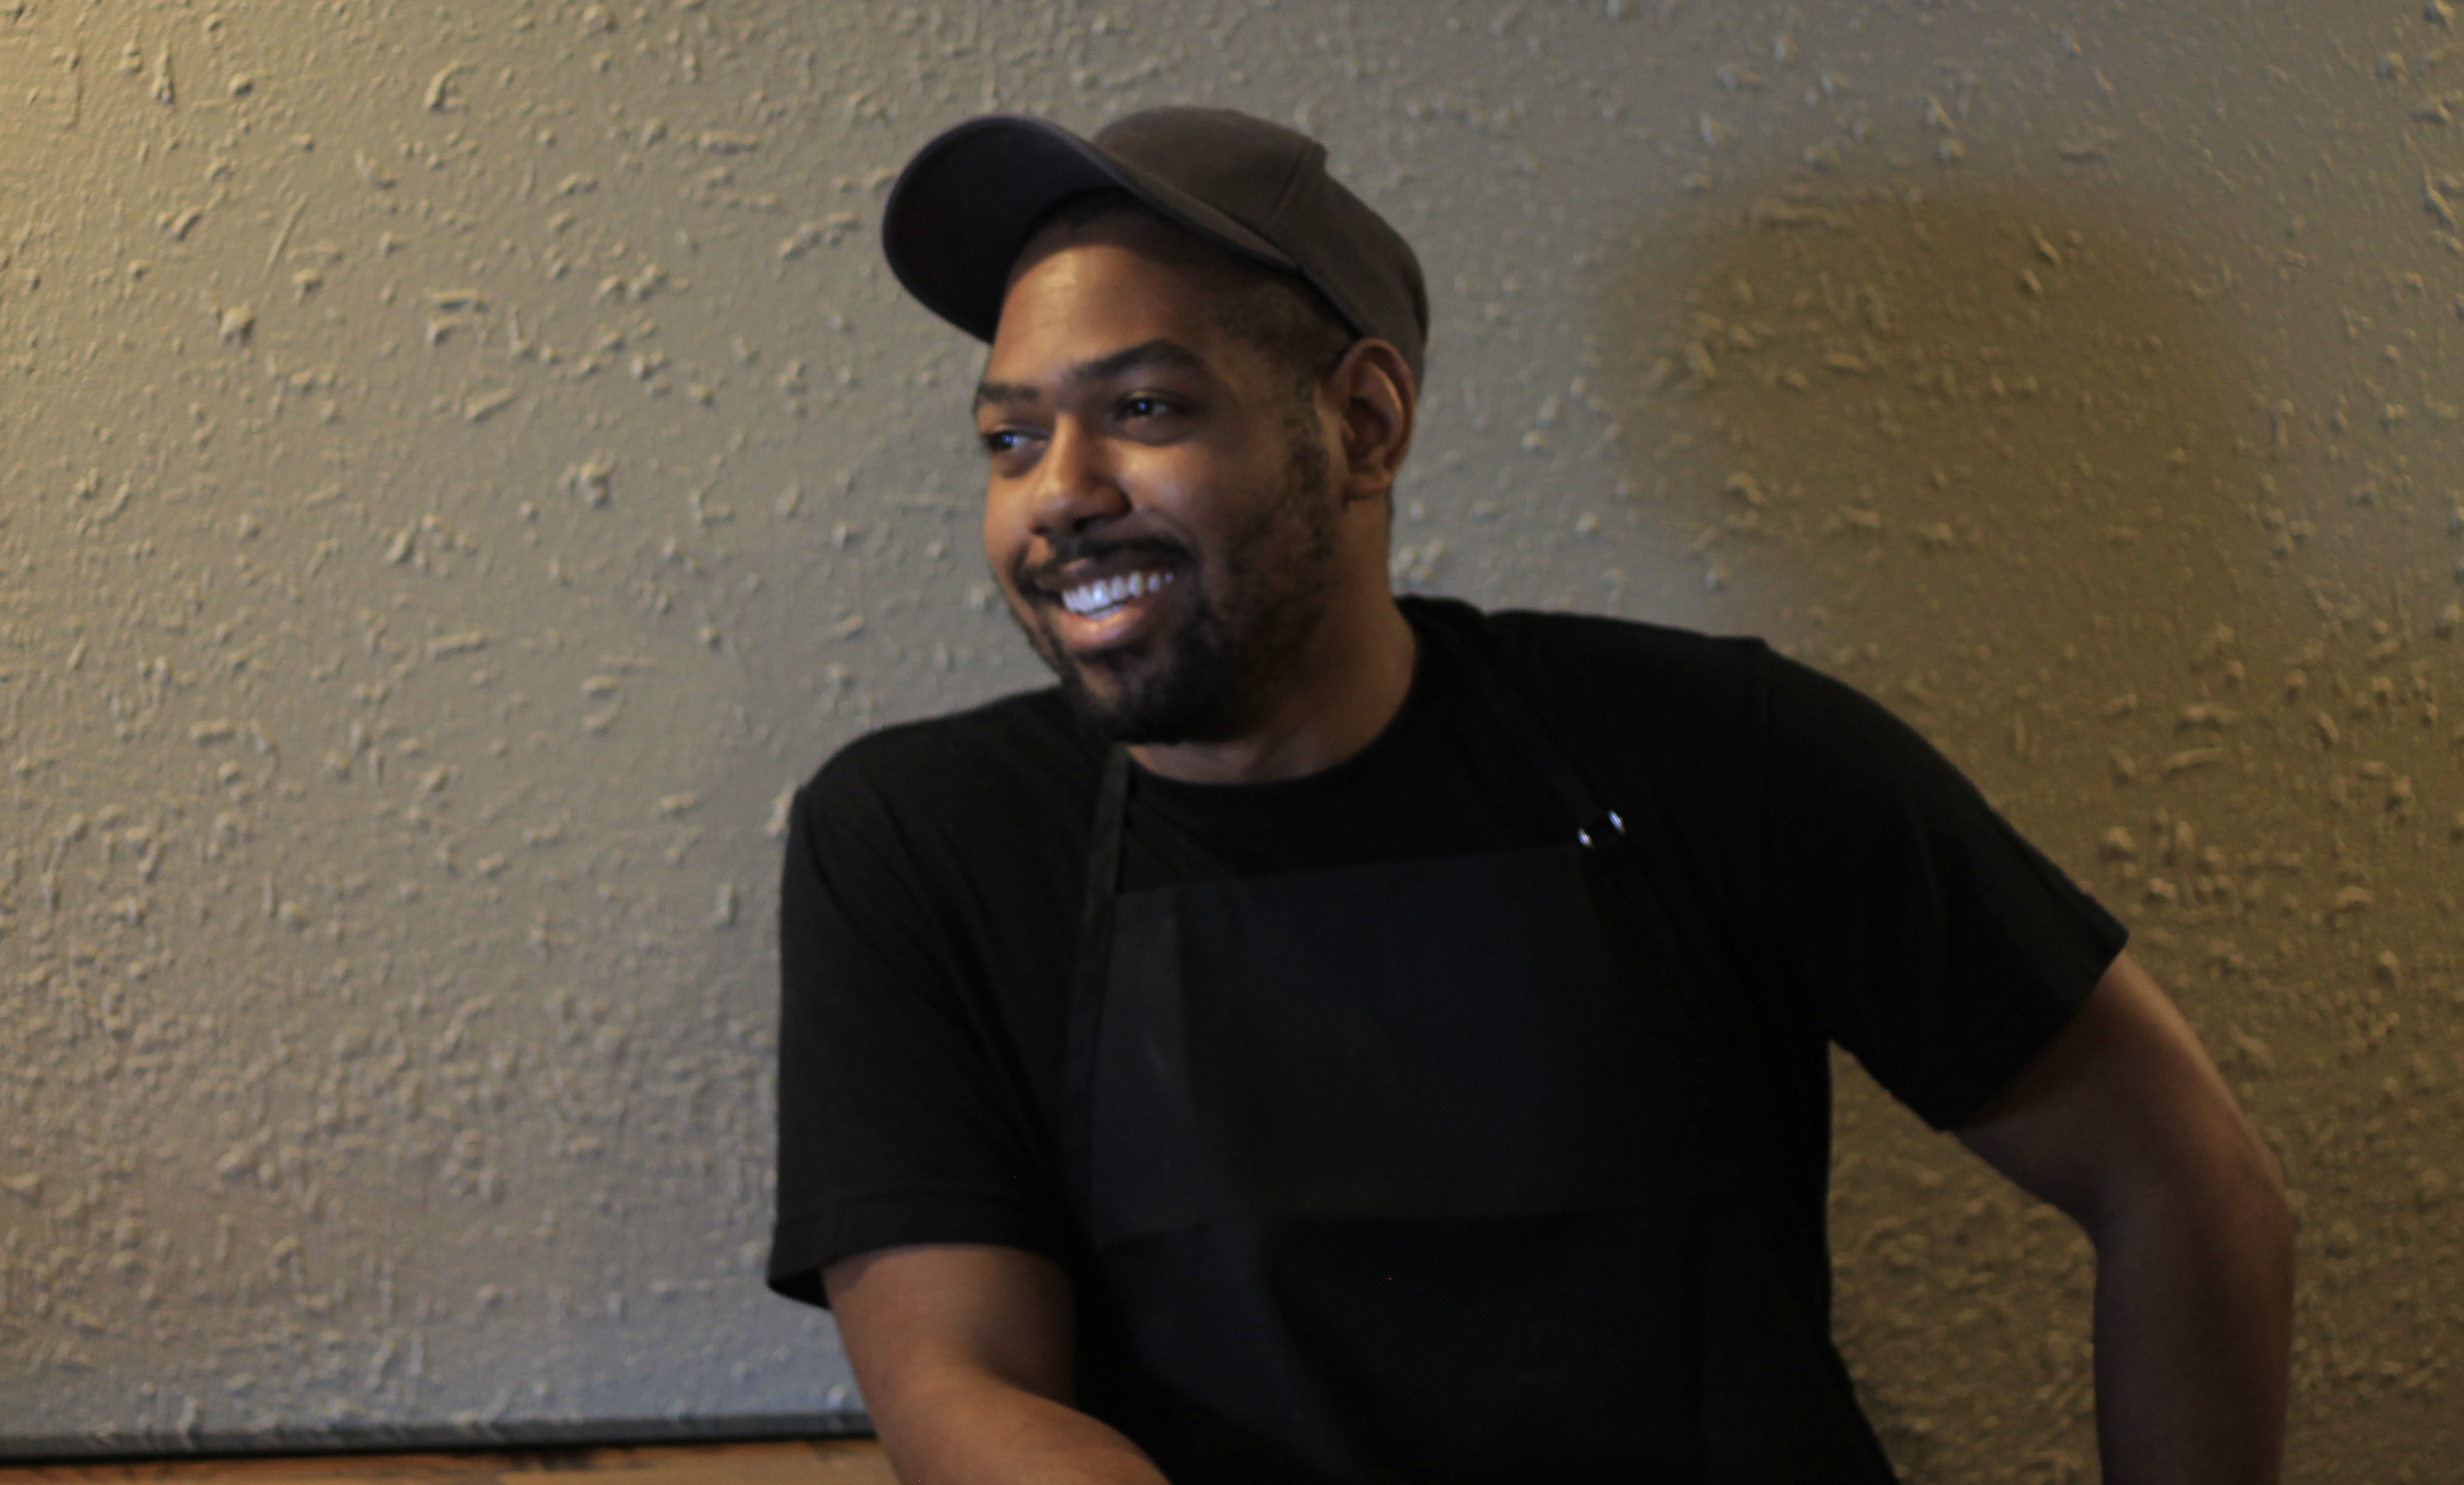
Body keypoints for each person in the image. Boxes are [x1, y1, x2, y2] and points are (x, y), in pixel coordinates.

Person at [767, 105, 2293, 1484]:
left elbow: (2180, 1170)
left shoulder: (1712, 752)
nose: (1059, 490)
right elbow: (958, 1382)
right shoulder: (921, 842)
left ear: (1362, 423)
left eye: (1147, 410)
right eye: (1010, 437)